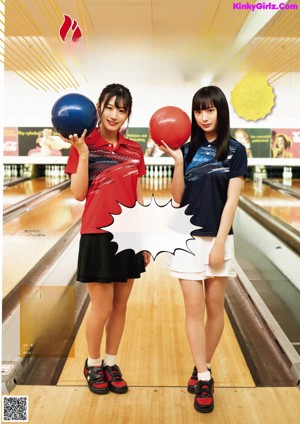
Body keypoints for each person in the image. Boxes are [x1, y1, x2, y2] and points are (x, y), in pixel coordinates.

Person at [160, 86, 247, 414]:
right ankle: (205, 376)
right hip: (185, 238)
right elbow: (178, 198)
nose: (204, 116)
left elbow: (232, 200)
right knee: (193, 308)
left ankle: (200, 366)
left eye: (210, 110)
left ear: (220, 111)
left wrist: (221, 242)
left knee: (214, 308)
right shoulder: (187, 148)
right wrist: (179, 162)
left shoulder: (235, 150)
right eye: (199, 111)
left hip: (219, 237)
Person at [64, 83, 150, 395]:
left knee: (120, 306)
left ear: (128, 114)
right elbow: (77, 193)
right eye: (110, 107)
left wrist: (145, 240)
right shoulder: (84, 145)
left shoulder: (134, 150)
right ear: (99, 106)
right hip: (97, 234)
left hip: (127, 236)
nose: (115, 115)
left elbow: (136, 196)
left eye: (122, 109)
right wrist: (84, 154)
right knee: (101, 307)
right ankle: (94, 363)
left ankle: (111, 362)